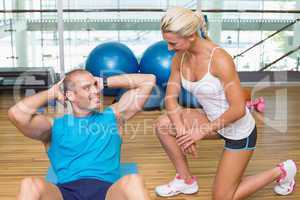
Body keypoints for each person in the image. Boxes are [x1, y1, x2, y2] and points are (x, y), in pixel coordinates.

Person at [154, 7, 297, 199]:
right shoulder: (180, 57)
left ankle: (282, 171)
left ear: (190, 36)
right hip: (212, 121)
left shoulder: (220, 59)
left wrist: (200, 132)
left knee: (222, 197)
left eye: (172, 43)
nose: (169, 49)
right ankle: (186, 180)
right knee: (164, 125)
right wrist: (181, 129)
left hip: (239, 131)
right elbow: (170, 98)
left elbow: (238, 109)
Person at [8, 69, 155, 200]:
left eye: (94, 85)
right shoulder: (53, 127)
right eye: (87, 87)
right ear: (70, 95)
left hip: (108, 192)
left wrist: (105, 81)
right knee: (29, 184)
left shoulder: (114, 117)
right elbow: (16, 114)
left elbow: (149, 80)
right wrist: (52, 92)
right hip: (66, 192)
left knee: (134, 181)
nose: (95, 91)